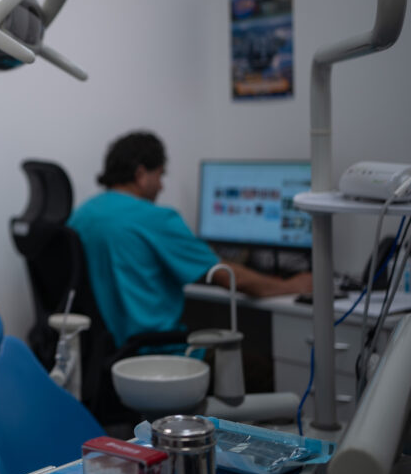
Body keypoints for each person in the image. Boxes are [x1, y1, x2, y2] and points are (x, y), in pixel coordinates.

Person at [68, 130, 312, 349]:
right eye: (160, 175)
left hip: (104, 353)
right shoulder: (155, 218)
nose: (161, 187)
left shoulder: (82, 215)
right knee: (261, 368)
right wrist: (292, 286)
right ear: (141, 174)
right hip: (156, 354)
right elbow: (225, 275)